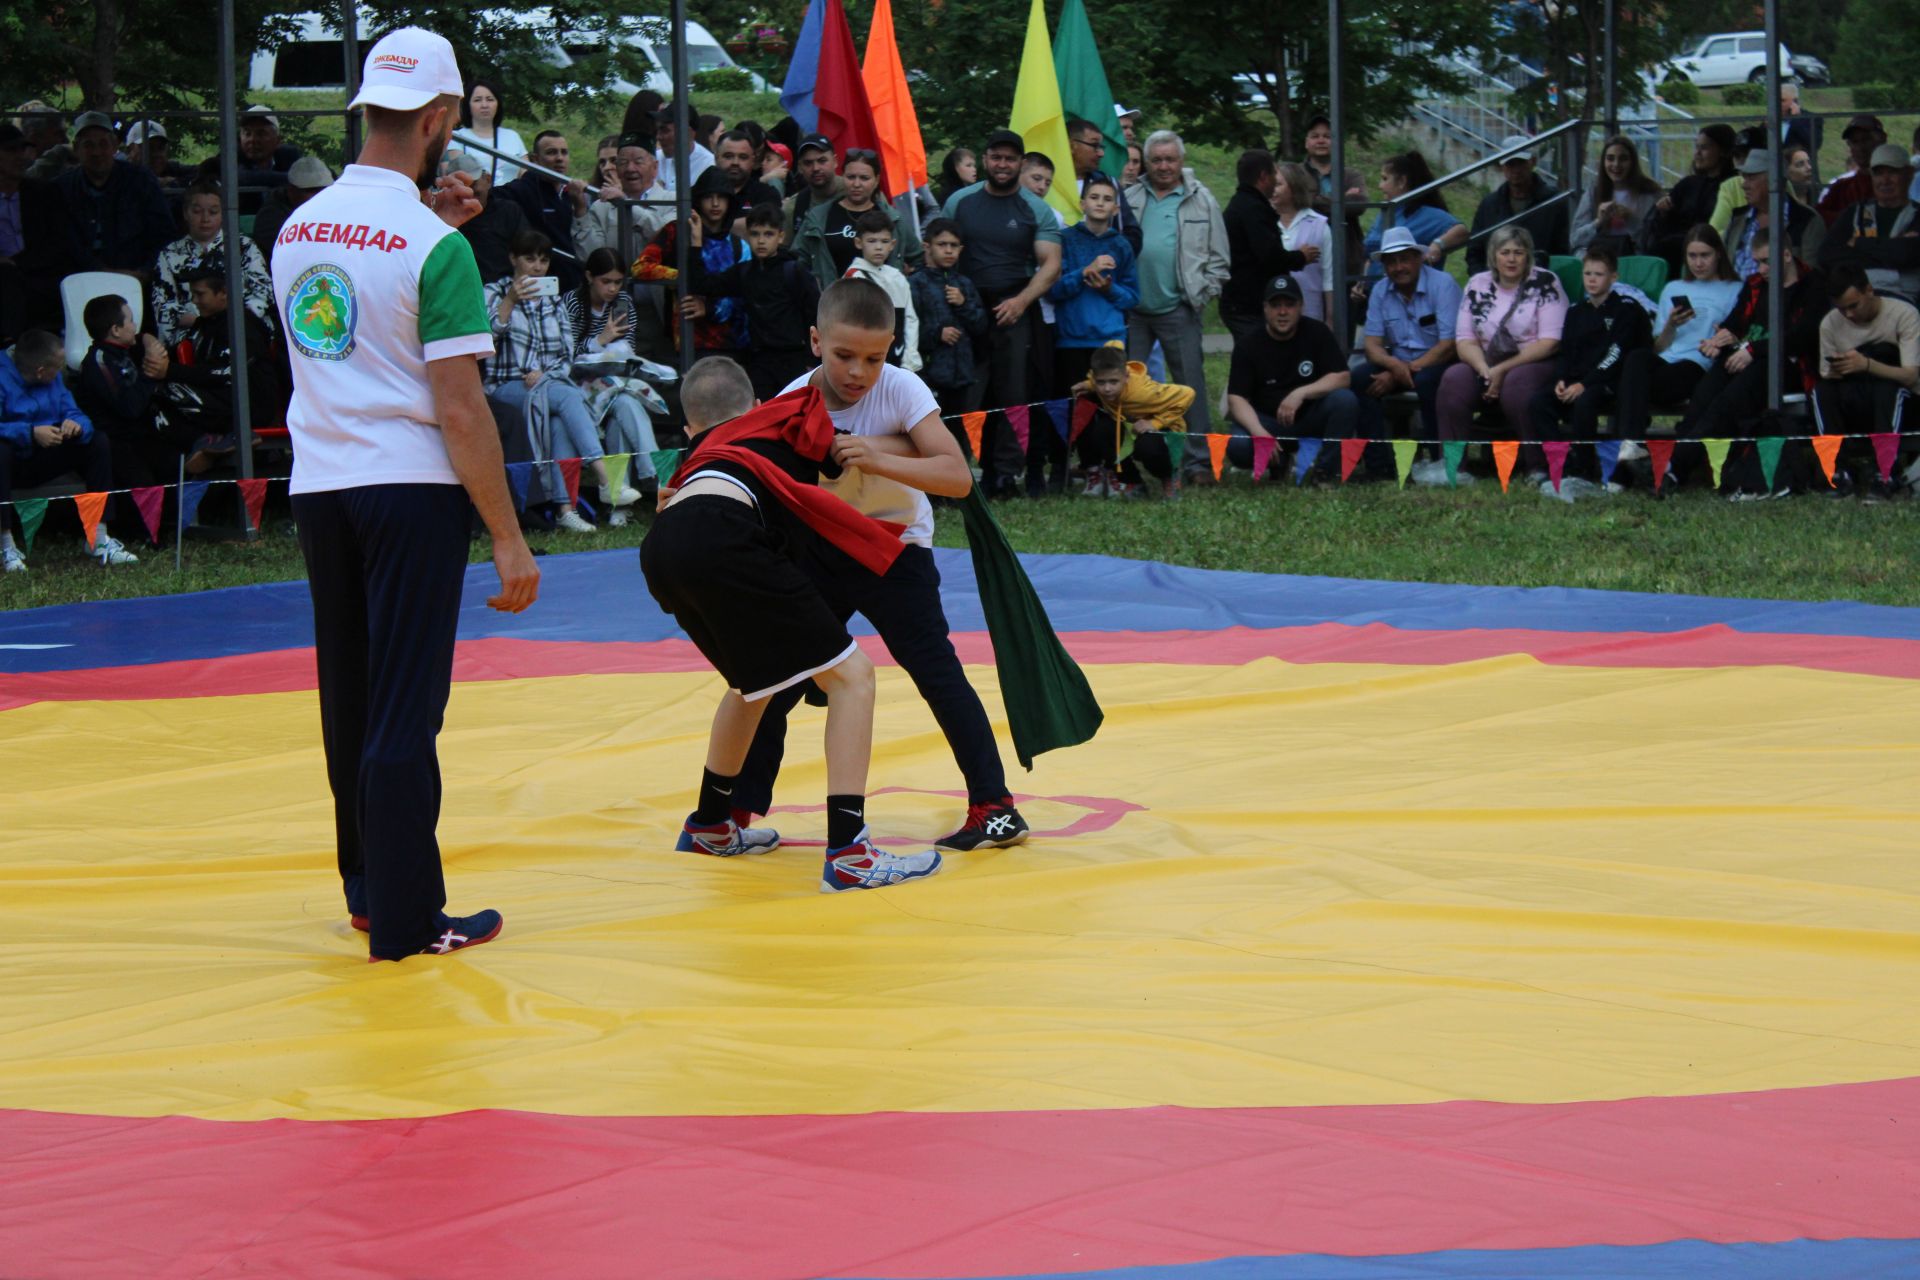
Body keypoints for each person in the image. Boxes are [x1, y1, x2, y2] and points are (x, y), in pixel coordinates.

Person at [271, 27, 538, 960]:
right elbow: (460, 412)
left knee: (349, 692)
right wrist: (507, 535)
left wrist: (442, 226)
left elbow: (356, 325)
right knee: (404, 705)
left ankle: (366, 887)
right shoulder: (435, 247)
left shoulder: (299, 226)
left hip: (322, 483)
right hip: (409, 488)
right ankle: (408, 918)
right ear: (438, 118)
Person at [732, 277, 1031, 853]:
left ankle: (994, 806)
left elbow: (956, 476)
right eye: (845, 356)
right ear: (816, 341)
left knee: (936, 671)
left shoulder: (902, 389)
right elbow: (759, 476)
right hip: (823, 549)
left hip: (895, 549)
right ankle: (737, 810)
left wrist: (877, 456)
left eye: (873, 358)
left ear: (891, 348)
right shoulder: (792, 398)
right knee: (775, 676)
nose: (858, 372)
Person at [641, 355, 945, 890]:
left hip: (664, 546)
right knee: (853, 678)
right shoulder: (783, 416)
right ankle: (850, 853)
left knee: (751, 681)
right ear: (757, 406)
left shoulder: (698, 454)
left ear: (689, 429)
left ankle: (711, 822)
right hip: (726, 537)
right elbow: (841, 447)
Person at [485, 228, 639, 528]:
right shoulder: (492, 292)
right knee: (568, 396)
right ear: (513, 259)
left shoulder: (552, 299)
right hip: (504, 384)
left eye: (543, 260)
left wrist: (544, 373)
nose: (538, 267)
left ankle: (565, 509)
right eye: (530, 259)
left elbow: (566, 354)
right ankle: (607, 479)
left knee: (559, 420)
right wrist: (510, 302)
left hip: (547, 382)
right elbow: (486, 338)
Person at [941, 128, 1062, 496]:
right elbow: (939, 250)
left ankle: (1004, 474)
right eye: (997, 157)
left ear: (1021, 163)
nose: (1003, 164)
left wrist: (1021, 302)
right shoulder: (960, 202)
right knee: (965, 393)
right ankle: (951, 472)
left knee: (1012, 394)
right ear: (985, 159)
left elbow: (1052, 264)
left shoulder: (1036, 209)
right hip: (965, 306)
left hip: (1014, 307)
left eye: (1010, 158)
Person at [1672, 230, 1828, 476]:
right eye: (1757, 262)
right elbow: (1737, 321)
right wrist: (1721, 337)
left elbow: (1803, 336)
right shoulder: (1755, 284)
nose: (1762, 269)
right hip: (1747, 357)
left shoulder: (1813, 285)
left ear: (1787, 255)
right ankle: (1675, 458)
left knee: (1730, 399)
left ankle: (1679, 462)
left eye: (1767, 262)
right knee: (1706, 390)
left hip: (1789, 365)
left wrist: (1755, 349)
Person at [0, 328, 138, 571]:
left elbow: (75, 412)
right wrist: (31, 433)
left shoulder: (53, 381)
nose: (62, 371)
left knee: (96, 441)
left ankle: (98, 537)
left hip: (46, 454)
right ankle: (6, 544)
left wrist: (76, 425)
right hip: (14, 459)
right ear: (41, 371)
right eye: (59, 366)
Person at [1124, 129, 1228, 442]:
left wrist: (1203, 293)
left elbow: (1220, 257)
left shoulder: (1202, 200)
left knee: (1189, 385)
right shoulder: (1129, 197)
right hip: (1134, 310)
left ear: (1181, 161)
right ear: (1146, 162)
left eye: (1170, 159)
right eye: (1156, 160)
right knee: (1125, 387)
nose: (1163, 166)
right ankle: (1130, 459)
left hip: (1179, 308)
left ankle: (1198, 459)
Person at [1526, 246, 1651, 490]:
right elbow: (1565, 351)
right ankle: (1561, 462)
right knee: (1538, 403)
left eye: (1599, 274)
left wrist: (1585, 384)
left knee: (1585, 402)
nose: (1592, 280)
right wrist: (1561, 379)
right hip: (1574, 380)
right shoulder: (1575, 312)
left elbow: (1616, 353)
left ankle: (1584, 468)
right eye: (1587, 274)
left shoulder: (1626, 309)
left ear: (1613, 277)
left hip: (1608, 381)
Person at [1437, 225, 1568, 447]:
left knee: (1517, 385)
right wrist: (1485, 370)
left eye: (1518, 253)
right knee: (1453, 379)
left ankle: (1538, 466)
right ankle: (1452, 466)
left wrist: (1502, 369)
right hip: (1486, 361)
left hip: (1534, 360)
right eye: (1504, 253)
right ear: (1493, 255)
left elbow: (1550, 343)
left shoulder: (1546, 282)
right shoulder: (1477, 283)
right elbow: (1465, 340)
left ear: (1528, 255)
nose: (1511, 259)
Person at [1221, 273, 1357, 481]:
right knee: (1238, 447)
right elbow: (1236, 399)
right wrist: (1259, 432)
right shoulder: (1248, 344)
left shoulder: (1317, 332)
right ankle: (1279, 460)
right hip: (1268, 422)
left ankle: (1326, 471)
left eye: (1289, 304)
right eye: (1275, 305)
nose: (1283, 312)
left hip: (1310, 418)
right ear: (1265, 308)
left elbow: (1342, 377)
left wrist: (1301, 393)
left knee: (1345, 401)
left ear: (1301, 306)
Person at [560, 246, 662, 515]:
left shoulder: (624, 303)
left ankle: (619, 503)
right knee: (625, 403)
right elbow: (566, 355)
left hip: (615, 382)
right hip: (579, 385)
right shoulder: (572, 302)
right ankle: (655, 473)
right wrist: (599, 341)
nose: (612, 289)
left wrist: (614, 354)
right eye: (606, 282)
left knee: (623, 408)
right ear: (590, 277)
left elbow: (628, 349)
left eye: (618, 282)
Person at [687, 201, 823, 400]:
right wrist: (696, 242)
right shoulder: (745, 272)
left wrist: (812, 361)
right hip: (759, 360)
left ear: (780, 236)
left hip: (793, 359)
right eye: (755, 234)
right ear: (748, 235)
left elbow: (814, 315)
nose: (761, 241)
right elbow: (702, 284)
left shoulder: (795, 271)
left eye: (768, 234)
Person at [73, 293, 207, 488]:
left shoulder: (123, 348)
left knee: (175, 464)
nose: (135, 326)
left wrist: (150, 342)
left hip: (141, 435)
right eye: (131, 321)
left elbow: (142, 336)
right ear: (116, 330)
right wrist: (150, 372)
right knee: (145, 484)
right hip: (115, 442)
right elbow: (129, 407)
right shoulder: (100, 362)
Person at [1617, 224, 1744, 424]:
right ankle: (1632, 441)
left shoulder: (1735, 289)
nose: (1698, 263)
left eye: (1705, 255)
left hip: (1699, 363)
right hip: (1667, 359)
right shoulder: (1673, 287)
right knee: (1636, 357)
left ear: (1718, 254)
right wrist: (1671, 325)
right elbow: (1658, 347)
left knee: (1637, 384)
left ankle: (1630, 435)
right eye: (1692, 256)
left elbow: (1738, 332)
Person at [1814, 262, 1919, 495]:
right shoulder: (1830, 323)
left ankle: (1885, 471)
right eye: (1842, 309)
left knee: (1887, 389)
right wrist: (1841, 366)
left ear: (1869, 291)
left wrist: (1867, 365)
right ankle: (1836, 470)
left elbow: (1912, 375)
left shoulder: (1904, 314)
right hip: (1853, 393)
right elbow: (1824, 372)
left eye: (1854, 306)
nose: (1849, 314)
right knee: (1823, 391)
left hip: (1901, 398)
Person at [156, 265, 284, 456]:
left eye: (200, 294)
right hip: (220, 400)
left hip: (249, 406)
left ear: (223, 292)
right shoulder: (205, 324)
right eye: (193, 294)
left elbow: (225, 372)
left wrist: (170, 370)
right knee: (155, 393)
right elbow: (174, 353)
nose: (195, 301)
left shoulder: (245, 325)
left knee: (170, 389)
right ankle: (205, 442)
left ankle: (214, 440)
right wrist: (149, 343)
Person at [1357, 226, 1462, 455]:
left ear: (1418, 258)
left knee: (1427, 381)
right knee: (1358, 378)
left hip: (1440, 362)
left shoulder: (1443, 284)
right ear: (1384, 266)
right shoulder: (1380, 291)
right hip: (1400, 363)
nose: (1398, 268)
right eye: (1391, 262)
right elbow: (1372, 344)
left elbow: (1448, 345)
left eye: (1404, 259)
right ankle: (1378, 461)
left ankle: (1439, 457)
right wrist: (1395, 367)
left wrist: (1400, 373)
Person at [633, 167, 750, 353]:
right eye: (708, 197)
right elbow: (640, 267)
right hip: (684, 340)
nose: (715, 203)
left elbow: (747, 295)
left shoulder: (739, 246)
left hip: (730, 345)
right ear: (698, 199)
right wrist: (681, 279)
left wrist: (710, 308)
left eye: (721, 197)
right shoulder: (676, 232)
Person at [152, 177, 276, 346]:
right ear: (185, 213)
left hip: (243, 332)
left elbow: (263, 293)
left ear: (223, 213)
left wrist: (232, 322)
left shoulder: (244, 247)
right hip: (191, 338)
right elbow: (163, 308)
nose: (205, 219)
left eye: (213, 211)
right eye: (197, 211)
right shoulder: (169, 254)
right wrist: (201, 322)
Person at [55, 110, 173, 279]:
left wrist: (145, 272)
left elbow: (163, 234)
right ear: (76, 149)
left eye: (103, 144)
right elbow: (64, 245)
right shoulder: (63, 188)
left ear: (115, 146)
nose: (96, 152)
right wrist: (101, 273)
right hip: (80, 278)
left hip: (138, 276)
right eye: (88, 145)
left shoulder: (141, 181)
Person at [1073, 341, 1193, 498]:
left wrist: (1155, 423)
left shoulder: (1144, 393)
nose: (1107, 389)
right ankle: (1132, 482)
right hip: (1127, 423)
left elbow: (1188, 393)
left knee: (1148, 448)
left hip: (1158, 427)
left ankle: (1168, 476)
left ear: (1126, 377)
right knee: (1101, 432)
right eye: (1101, 383)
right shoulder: (1100, 380)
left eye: (1113, 382)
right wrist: (1089, 385)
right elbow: (1103, 378)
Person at [1220, 149, 1310, 347]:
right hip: (1247, 304)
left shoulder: (1242, 205)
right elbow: (1269, 255)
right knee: (1256, 357)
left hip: (1240, 301)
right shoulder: (1253, 209)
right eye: (1274, 174)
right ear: (1263, 177)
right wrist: (1300, 257)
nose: (1275, 181)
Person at [794, 147, 920, 289]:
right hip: (832, 304)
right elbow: (797, 260)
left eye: (864, 178)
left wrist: (905, 283)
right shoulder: (818, 216)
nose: (856, 184)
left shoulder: (893, 219)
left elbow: (920, 260)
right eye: (851, 177)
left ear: (876, 180)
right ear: (843, 176)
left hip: (882, 305)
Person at [0, 122, 77, 342]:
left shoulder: (43, 194)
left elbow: (59, 241)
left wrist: (17, 263)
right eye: (10, 150)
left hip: (39, 275)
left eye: (21, 149)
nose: (20, 156)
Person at [1816, 144, 1920, 304]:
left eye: (1892, 172)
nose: (1885, 180)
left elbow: (1906, 254)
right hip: (1854, 303)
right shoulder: (1855, 212)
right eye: (1878, 173)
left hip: (1904, 301)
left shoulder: (1917, 214)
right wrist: (1892, 251)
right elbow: (1826, 255)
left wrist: (1859, 243)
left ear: (1909, 174)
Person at [910, 217, 989, 420]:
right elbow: (907, 330)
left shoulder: (964, 283)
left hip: (962, 375)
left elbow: (981, 326)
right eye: (942, 244)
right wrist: (937, 334)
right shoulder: (915, 283)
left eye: (954, 245)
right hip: (928, 374)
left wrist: (963, 304)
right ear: (926, 246)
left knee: (959, 430)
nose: (948, 250)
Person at [495, 130, 589, 289]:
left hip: (573, 281)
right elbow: (487, 198)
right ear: (534, 159)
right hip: (540, 282)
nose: (559, 158)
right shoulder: (521, 190)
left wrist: (580, 207)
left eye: (564, 153)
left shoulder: (572, 193)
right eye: (551, 152)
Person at [1465, 136, 1569, 275]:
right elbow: (1474, 251)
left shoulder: (1554, 202)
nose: (1516, 169)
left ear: (1532, 162)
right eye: (1510, 164)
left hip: (1541, 281)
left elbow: (1564, 249)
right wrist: (1485, 280)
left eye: (1520, 163)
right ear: (1502, 166)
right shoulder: (1489, 204)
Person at [1644, 124, 1738, 273]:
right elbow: (1663, 223)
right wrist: (1664, 211)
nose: (1697, 153)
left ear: (1723, 151)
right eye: (1697, 147)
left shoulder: (1734, 184)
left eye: (1704, 148)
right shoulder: (1688, 184)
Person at [1360, 150, 1467, 279]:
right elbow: (1371, 254)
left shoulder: (1427, 214)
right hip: (1376, 293)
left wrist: (1437, 245)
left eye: (1385, 179)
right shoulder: (1385, 213)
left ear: (1402, 182)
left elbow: (1461, 231)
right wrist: (1362, 281)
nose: (1380, 185)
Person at [840, 209, 918, 371]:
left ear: (892, 244)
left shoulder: (897, 278)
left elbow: (910, 319)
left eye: (884, 241)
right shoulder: (854, 277)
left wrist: (909, 359)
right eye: (872, 241)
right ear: (858, 243)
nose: (878, 247)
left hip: (898, 358)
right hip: (865, 360)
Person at [574, 133, 672, 263]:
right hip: (616, 282)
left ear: (654, 167)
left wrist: (625, 203)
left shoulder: (672, 201)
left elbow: (669, 239)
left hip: (661, 281)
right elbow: (590, 257)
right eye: (623, 162)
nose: (630, 168)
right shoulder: (601, 206)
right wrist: (580, 211)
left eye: (638, 162)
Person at [445, 149, 527, 286]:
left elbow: (527, 249)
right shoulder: (442, 216)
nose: (468, 192)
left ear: (488, 179)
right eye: (461, 186)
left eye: (472, 184)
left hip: (505, 290)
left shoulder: (508, 211)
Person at [1572, 135, 1663, 255]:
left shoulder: (1650, 194)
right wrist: (1598, 223)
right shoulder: (1592, 193)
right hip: (1600, 259)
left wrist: (1631, 220)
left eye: (1623, 159)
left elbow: (1653, 243)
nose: (1616, 164)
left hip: (1633, 259)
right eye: (1610, 158)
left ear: (1633, 162)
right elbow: (1575, 239)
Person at [1066, 116, 1137, 250]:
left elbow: (1132, 234)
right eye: (1094, 145)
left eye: (1101, 147)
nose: (1101, 153)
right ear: (1071, 146)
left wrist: (1112, 258)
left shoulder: (1108, 184)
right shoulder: (1047, 183)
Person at [1273, 162, 1332, 322]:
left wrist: (1330, 320)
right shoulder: (1262, 222)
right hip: (1272, 316)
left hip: (1310, 312)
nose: (1272, 189)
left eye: (1278, 184)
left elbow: (1329, 278)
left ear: (1294, 186)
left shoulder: (1319, 225)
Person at [251, 155, 334, 257]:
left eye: (323, 190)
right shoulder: (269, 217)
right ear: (291, 190)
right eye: (310, 190)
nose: (318, 196)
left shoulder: (332, 210)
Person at [1817, 114, 1887, 227]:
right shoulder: (1840, 188)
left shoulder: (1900, 183)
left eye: (1866, 139)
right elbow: (1817, 216)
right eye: (1855, 142)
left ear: (1882, 139)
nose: (1860, 147)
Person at [452, 77, 525, 184]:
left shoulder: (513, 136)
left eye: (490, 99)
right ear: (467, 105)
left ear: (498, 104)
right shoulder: (457, 137)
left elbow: (526, 174)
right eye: (477, 100)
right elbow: (457, 175)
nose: (484, 105)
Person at [712, 128, 782, 226]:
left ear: (753, 160)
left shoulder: (766, 195)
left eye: (743, 157)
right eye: (728, 156)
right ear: (716, 158)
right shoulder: (701, 194)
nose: (735, 163)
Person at [1708, 127, 1769, 238]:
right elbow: (1716, 232)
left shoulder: (1780, 183)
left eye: (1749, 155)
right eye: (1737, 156)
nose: (1742, 161)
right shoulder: (1730, 186)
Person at [783, 133, 842, 239]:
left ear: (835, 162)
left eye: (822, 161)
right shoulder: (793, 208)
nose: (815, 168)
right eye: (808, 163)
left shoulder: (860, 193)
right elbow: (787, 253)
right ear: (800, 168)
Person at [654, 105, 715, 192]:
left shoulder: (708, 166)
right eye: (657, 130)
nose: (658, 137)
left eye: (665, 130)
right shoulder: (654, 160)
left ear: (688, 133)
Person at [124, 120, 189, 189]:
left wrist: (173, 182)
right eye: (148, 148)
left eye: (161, 148)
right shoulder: (118, 174)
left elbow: (199, 172)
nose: (156, 154)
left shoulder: (171, 169)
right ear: (130, 150)